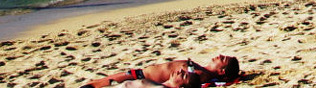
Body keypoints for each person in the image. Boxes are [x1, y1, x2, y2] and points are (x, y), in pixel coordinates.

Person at [87, 56, 244, 88]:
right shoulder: (200, 69)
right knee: (101, 83)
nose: (219, 56)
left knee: (100, 84)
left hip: (144, 77)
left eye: (222, 59)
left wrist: (190, 67)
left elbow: (188, 81)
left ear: (221, 71)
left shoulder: (201, 74)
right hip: (141, 74)